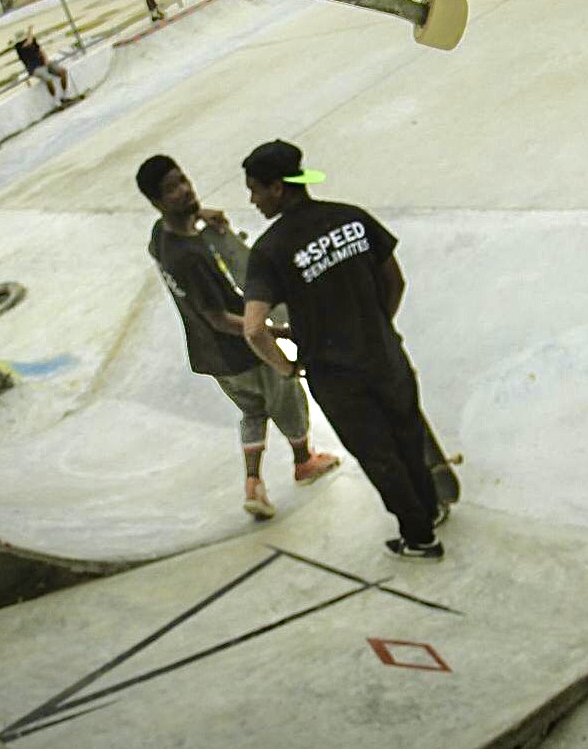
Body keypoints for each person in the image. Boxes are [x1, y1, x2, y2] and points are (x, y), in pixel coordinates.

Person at [240, 141, 444, 561]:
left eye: (255, 189)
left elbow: (254, 328)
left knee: (378, 454)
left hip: (337, 377)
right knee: (408, 435)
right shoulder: (351, 217)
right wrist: (378, 325)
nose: (252, 200)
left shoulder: (270, 249)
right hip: (386, 355)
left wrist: (285, 367)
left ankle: (420, 537)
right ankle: (431, 508)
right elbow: (395, 281)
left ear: (278, 188)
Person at [136, 155, 337, 521]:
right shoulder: (189, 256)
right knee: (287, 396)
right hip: (240, 349)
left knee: (252, 410)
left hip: (210, 357)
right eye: (172, 189)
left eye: (183, 180)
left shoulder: (160, 236)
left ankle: (253, 483)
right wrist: (273, 331)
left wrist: (200, 215)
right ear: (157, 201)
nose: (184, 190)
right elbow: (219, 319)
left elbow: (174, 232)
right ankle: (304, 461)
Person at [14, 29, 73, 105]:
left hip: (43, 63)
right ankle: (55, 100)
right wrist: (30, 31)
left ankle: (65, 95)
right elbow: (28, 43)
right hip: (34, 68)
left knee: (63, 71)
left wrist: (46, 60)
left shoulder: (32, 40)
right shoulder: (19, 47)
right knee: (48, 79)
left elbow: (40, 50)